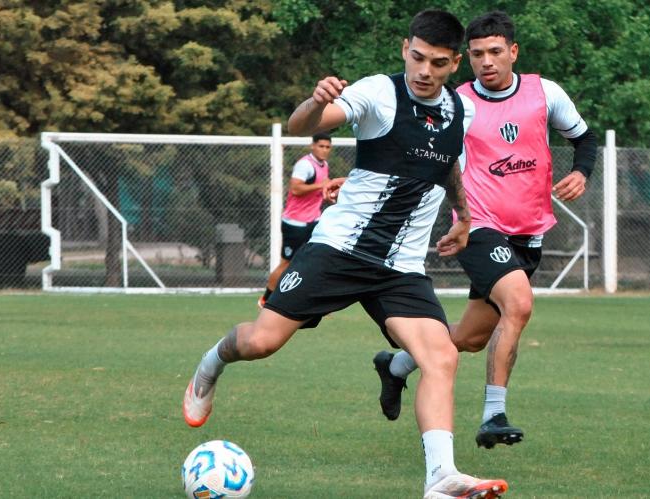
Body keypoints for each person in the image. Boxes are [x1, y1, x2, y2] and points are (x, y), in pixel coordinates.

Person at [183, 8, 509, 499]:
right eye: (417, 58)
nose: (424, 71)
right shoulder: (379, 92)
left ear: (454, 64)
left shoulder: (461, 112)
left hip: (399, 267)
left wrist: (463, 218)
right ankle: (210, 365)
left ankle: (440, 478)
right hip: (339, 249)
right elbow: (301, 126)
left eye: (438, 63)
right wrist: (315, 104)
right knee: (261, 343)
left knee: (441, 356)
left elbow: (449, 168)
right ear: (405, 49)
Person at [372, 10, 598, 450]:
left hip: (528, 232)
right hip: (477, 226)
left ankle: (396, 366)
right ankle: (494, 413)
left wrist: (582, 172)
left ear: (513, 52)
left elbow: (583, 139)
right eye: (476, 55)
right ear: (466, 59)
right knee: (520, 302)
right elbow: (419, 151)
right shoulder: (457, 103)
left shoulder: (545, 93)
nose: (486, 62)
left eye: (495, 52)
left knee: (472, 338)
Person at [258, 132, 333, 308]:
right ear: (312, 146)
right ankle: (266, 299)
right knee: (287, 262)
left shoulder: (324, 165)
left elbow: (318, 191)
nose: (324, 150)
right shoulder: (305, 165)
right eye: (321, 146)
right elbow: (296, 189)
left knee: (316, 258)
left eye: (327, 147)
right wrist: (321, 185)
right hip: (295, 222)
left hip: (314, 220)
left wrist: (328, 194)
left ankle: (310, 299)